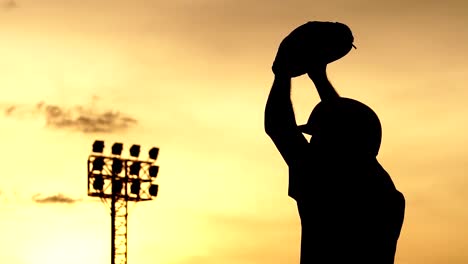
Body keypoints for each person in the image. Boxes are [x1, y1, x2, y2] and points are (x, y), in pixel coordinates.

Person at [264, 22, 405, 263]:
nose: (314, 142)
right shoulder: (387, 194)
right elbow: (348, 129)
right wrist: (318, 76)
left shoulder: (323, 178)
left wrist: (282, 73)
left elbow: (279, 127)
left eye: (317, 136)